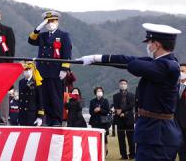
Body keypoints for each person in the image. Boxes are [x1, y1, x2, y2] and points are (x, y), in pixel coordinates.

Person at [78, 23, 183, 160]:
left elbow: (134, 65)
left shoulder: (169, 66)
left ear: (156, 45)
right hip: (151, 130)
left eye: (149, 42)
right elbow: (127, 60)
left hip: (158, 133)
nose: (148, 46)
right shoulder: (158, 63)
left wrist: (133, 61)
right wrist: (96, 58)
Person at [28, 10, 72, 126]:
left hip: (55, 71)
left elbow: (67, 53)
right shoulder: (42, 36)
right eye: (47, 22)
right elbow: (31, 40)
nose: (50, 23)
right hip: (42, 71)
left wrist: (64, 69)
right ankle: (47, 119)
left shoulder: (63, 35)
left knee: (55, 97)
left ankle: (56, 120)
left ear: (57, 22)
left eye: (52, 21)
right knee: (44, 96)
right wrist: (38, 28)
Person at [113, 79, 135, 160]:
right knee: (121, 139)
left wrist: (123, 112)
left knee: (131, 138)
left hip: (129, 119)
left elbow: (131, 106)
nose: (123, 85)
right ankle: (123, 155)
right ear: (119, 85)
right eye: (121, 83)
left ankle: (132, 154)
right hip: (119, 119)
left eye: (124, 83)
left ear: (127, 85)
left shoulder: (132, 95)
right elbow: (116, 106)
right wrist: (119, 112)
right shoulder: (115, 96)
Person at [89, 87, 111, 155]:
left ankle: (105, 151)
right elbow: (90, 112)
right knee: (95, 137)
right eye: (98, 91)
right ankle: (96, 152)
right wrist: (94, 111)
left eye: (100, 91)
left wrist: (100, 110)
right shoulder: (92, 101)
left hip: (103, 122)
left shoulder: (105, 100)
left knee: (104, 137)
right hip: (95, 121)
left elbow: (107, 111)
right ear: (95, 92)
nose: (99, 92)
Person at [176, 64, 186, 161]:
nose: (181, 73)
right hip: (176, 122)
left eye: (183, 71)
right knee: (180, 146)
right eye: (180, 71)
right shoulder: (174, 87)